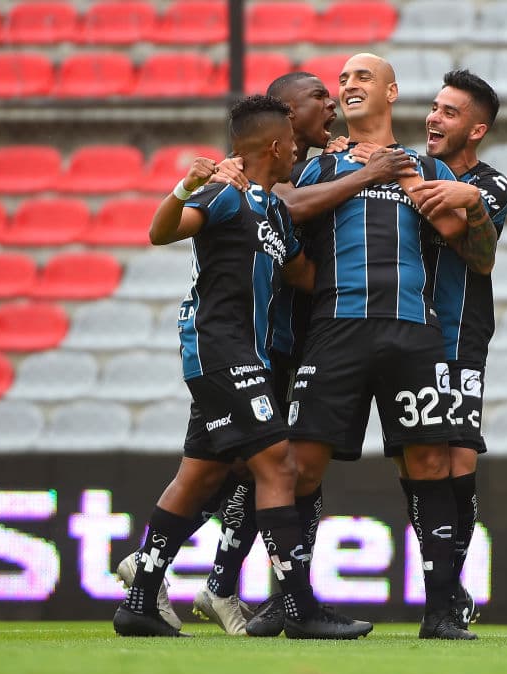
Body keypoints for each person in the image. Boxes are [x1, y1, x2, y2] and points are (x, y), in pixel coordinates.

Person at [112, 95, 370, 640]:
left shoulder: (274, 210)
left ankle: (139, 601)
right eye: (292, 141)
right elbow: (162, 232)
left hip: (246, 354)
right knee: (278, 467)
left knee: (200, 473)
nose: (299, 146)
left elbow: (304, 275)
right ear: (275, 145)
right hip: (220, 350)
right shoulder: (225, 195)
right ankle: (301, 609)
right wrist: (185, 185)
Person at [243, 53, 476, 641]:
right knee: (301, 464)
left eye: (361, 77)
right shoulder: (320, 166)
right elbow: (281, 207)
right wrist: (366, 174)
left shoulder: (425, 166)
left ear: (392, 92)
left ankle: (441, 612)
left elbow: (467, 243)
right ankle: (292, 601)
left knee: (429, 462)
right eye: (341, 79)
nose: (347, 86)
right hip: (335, 328)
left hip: (411, 330)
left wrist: (456, 198)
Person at [354, 70, 507, 632]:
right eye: (435, 108)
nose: (433, 119)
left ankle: (447, 589)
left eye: (448, 112)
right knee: (416, 460)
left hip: (462, 334)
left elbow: (481, 257)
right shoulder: (410, 172)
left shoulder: (493, 184)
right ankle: (445, 587)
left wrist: (470, 199)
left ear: (476, 129)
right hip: (408, 334)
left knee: (460, 459)